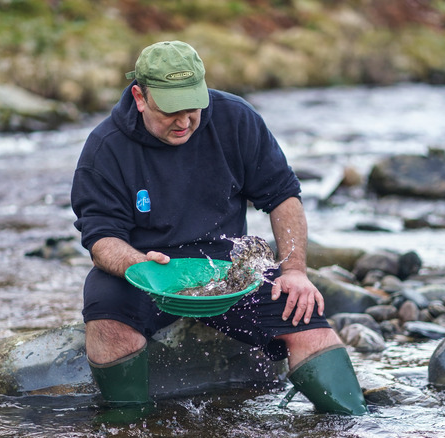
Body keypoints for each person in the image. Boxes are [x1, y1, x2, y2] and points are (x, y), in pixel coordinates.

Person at [70, 40, 367, 417]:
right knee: (105, 315)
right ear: (140, 97)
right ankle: (130, 419)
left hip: (228, 270)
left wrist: (294, 271)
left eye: (192, 107)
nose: (183, 121)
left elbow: (283, 196)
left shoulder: (236, 119)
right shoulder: (105, 148)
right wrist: (136, 264)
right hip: (146, 271)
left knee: (305, 320)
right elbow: (101, 237)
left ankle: (355, 420)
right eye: (170, 111)